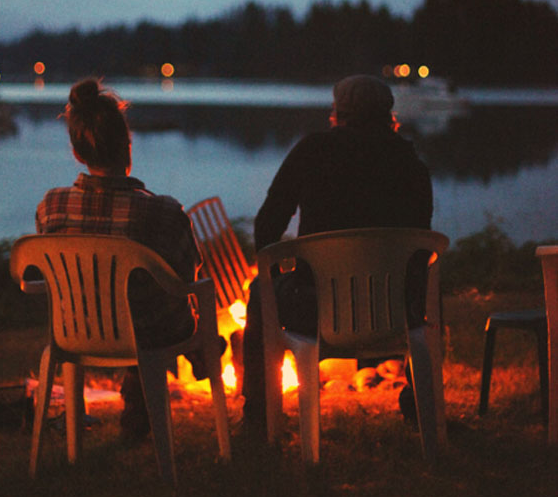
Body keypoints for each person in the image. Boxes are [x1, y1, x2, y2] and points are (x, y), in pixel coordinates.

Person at [242, 74, 433, 430]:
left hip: (314, 309)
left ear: (338, 111)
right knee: (421, 287)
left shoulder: (313, 151)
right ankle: (417, 403)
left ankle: (258, 416)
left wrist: (275, 277)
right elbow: (421, 245)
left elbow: (268, 224)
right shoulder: (410, 163)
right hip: (396, 310)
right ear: (388, 113)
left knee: (259, 293)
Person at [35, 78, 203, 443]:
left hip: (75, 333)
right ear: (128, 144)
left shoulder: (52, 207)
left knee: (135, 307)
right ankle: (202, 356)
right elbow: (188, 275)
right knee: (160, 308)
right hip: (149, 333)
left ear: (77, 152)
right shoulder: (163, 212)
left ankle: (137, 413)